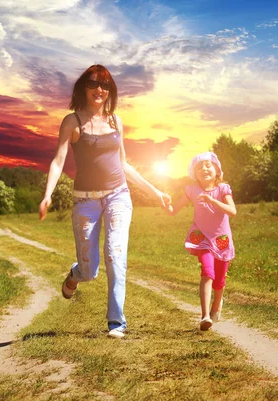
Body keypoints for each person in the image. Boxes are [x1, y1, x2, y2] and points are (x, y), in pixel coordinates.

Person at [39, 64, 171, 339]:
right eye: (93, 84)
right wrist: (48, 194)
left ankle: (116, 323)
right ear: (83, 87)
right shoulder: (72, 122)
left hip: (118, 197)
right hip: (85, 202)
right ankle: (75, 276)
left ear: (110, 91)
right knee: (90, 271)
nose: (99, 90)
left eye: (105, 85)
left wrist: (155, 192)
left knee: (116, 255)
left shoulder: (115, 121)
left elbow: (124, 164)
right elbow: (58, 160)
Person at [166, 152, 236, 331]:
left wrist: (212, 200)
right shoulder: (192, 190)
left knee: (219, 280)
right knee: (207, 272)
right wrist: (165, 201)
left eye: (208, 165)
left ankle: (217, 305)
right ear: (194, 174)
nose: (204, 169)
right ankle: (205, 316)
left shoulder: (223, 189)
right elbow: (173, 210)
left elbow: (232, 211)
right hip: (202, 238)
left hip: (221, 239)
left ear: (216, 169)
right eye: (199, 167)